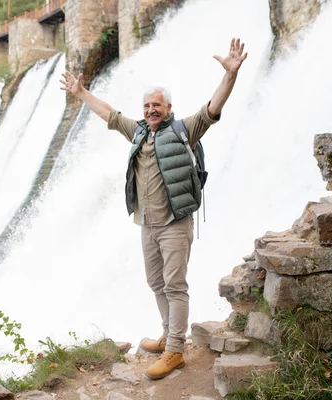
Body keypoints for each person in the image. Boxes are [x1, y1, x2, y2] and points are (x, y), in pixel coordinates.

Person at [60, 38, 248, 380]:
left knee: (175, 286)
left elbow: (212, 108)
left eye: (156, 105)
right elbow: (110, 115)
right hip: (147, 224)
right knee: (155, 282)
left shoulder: (184, 130)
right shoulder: (138, 133)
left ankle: (176, 350)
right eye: (147, 106)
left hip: (175, 223)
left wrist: (230, 76)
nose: (151, 110)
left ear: (169, 107)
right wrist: (82, 93)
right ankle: (167, 335)